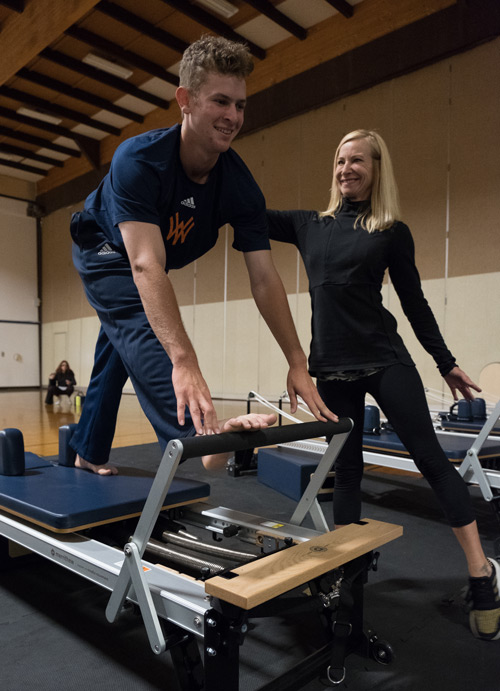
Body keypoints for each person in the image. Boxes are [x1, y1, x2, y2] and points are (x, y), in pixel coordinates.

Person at [266, 129, 499, 641]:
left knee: (433, 462)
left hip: (383, 359)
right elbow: (246, 211)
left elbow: (414, 303)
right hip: (331, 370)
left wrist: (445, 362)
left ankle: (482, 574)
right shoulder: (309, 225)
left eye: (358, 160)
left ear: (376, 169)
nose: (346, 167)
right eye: (340, 159)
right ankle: (350, 586)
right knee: (347, 475)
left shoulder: (391, 230)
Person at [69, 35, 334, 477]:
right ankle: (202, 439)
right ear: (186, 100)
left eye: (241, 105)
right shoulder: (139, 160)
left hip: (148, 258)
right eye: (220, 102)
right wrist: (186, 363)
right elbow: (144, 265)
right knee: (143, 332)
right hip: (106, 249)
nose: (233, 117)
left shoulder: (240, 185)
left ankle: (87, 450)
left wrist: (296, 361)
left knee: (117, 349)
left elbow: (265, 278)